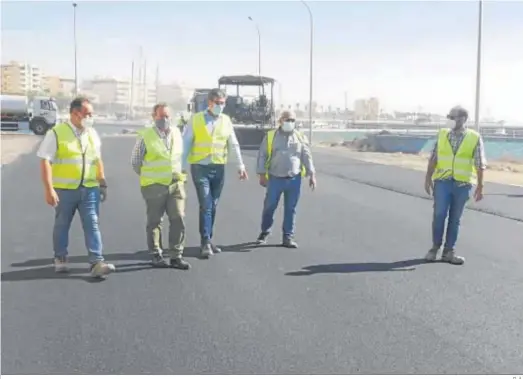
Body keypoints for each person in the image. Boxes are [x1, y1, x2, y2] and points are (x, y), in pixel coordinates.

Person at [37, 97, 115, 278]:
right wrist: (49, 189)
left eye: (91, 113)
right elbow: (45, 161)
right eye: (87, 114)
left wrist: (102, 182)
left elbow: (97, 160)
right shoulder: (56, 133)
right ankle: (61, 257)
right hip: (65, 190)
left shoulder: (92, 133)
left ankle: (97, 261)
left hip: (89, 189)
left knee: (92, 224)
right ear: (74, 113)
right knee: (62, 224)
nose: (90, 117)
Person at [182, 88, 248, 258]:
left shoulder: (226, 121)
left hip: (218, 167)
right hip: (200, 167)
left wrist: (241, 165)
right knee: (206, 204)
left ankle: (209, 238)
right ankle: (204, 242)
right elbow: (186, 143)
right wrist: (180, 168)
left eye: (222, 103)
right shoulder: (196, 120)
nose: (220, 106)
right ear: (209, 103)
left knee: (213, 205)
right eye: (217, 103)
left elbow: (233, 144)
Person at [424, 105, 486, 265]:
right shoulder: (442, 134)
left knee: (455, 219)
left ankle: (449, 252)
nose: (449, 120)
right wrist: (427, 177)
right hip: (443, 182)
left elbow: (479, 163)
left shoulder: (474, 137)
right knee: (439, 215)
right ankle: (434, 248)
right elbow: (434, 157)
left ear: (463, 119)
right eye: (449, 116)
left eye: (453, 117)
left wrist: (480, 186)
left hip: (462, 184)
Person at [131, 103, 190, 270]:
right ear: (153, 117)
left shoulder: (177, 133)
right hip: (154, 186)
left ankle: (176, 255)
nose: (164, 119)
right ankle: (156, 253)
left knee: (178, 218)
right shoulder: (145, 136)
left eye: (167, 116)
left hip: (176, 183)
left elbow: (179, 157)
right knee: (155, 221)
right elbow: (136, 162)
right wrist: (149, 176)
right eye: (160, 116)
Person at [255, 110, 316, 248]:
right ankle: (265, 232)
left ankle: (288, 236)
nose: (290, 122)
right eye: (287, 120)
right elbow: (262, 155)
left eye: (292, 120)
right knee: (270, 206)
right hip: (275, 178)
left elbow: (306, 156)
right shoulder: (271, 136)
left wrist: (312, 174)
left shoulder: (300, 137)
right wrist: (262, 174)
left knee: (291, 208)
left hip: (294, 179)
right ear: (280, 121)